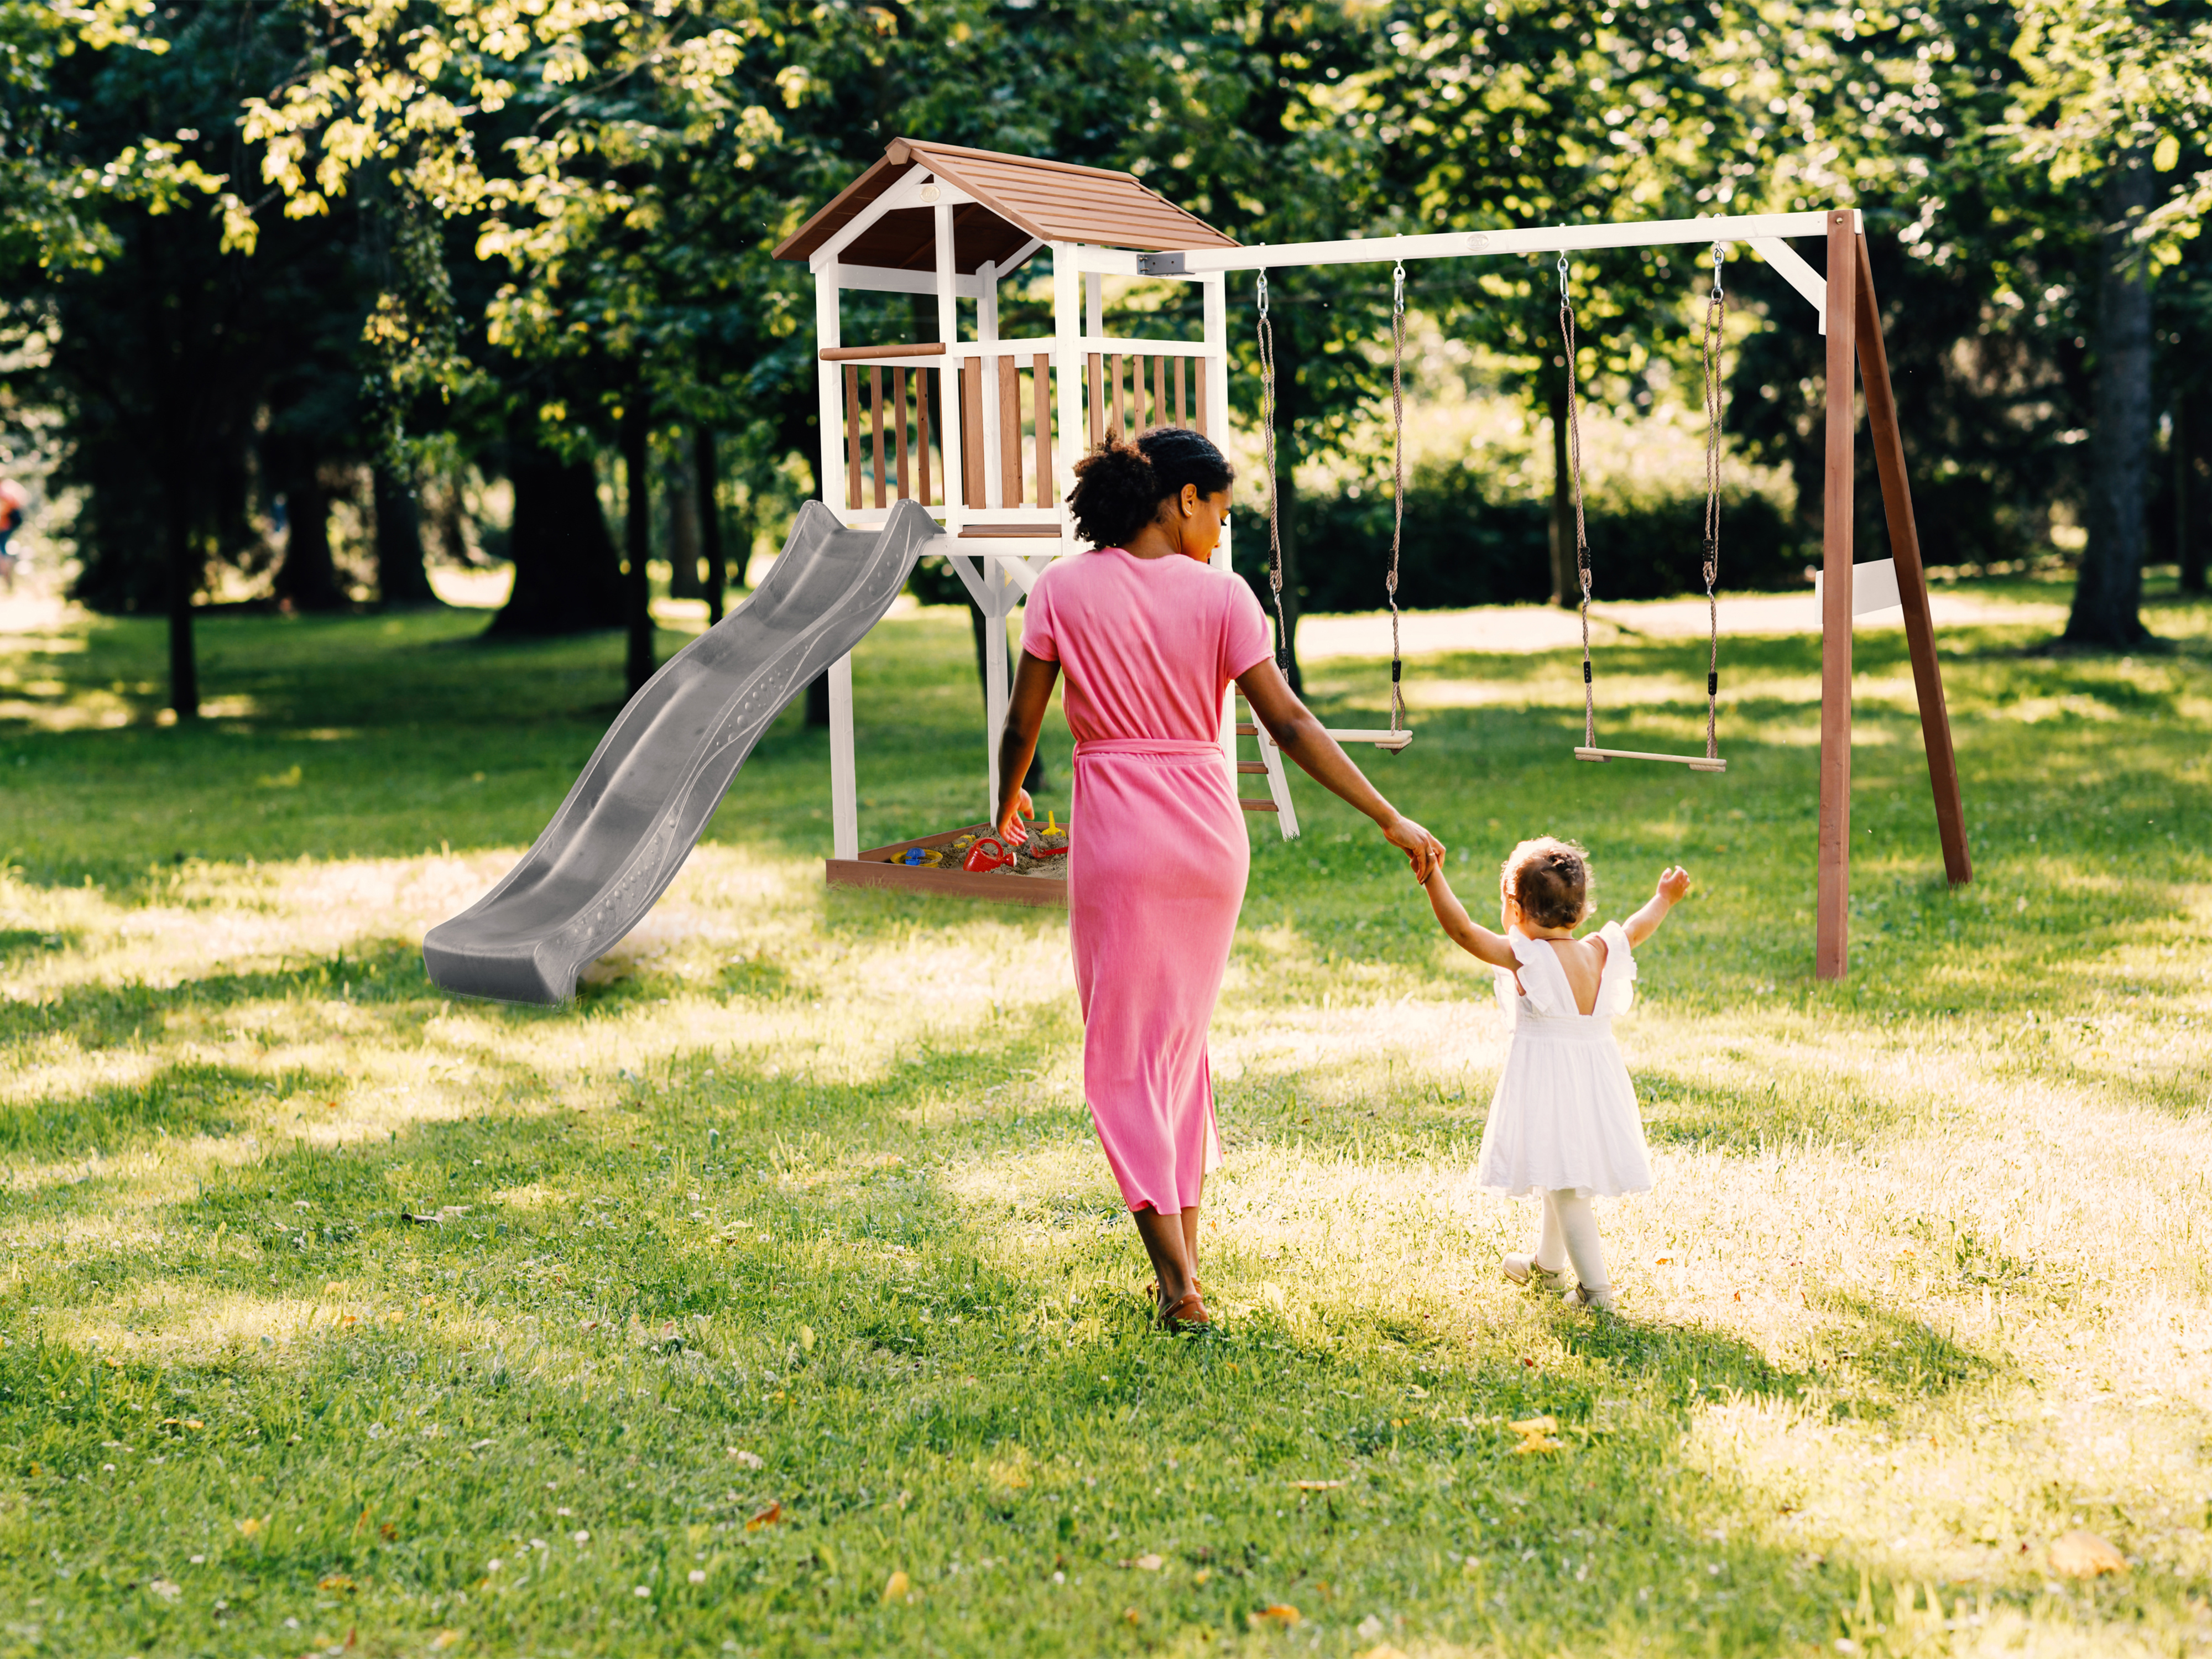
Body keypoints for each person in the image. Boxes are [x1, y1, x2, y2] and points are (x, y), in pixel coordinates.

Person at [993, 428, 1444, 1332]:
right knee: (1175, 1051)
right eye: (1221, 513)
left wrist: (1003, 809)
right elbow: (1290, 724)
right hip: (1208, 841)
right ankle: (1186, 1268)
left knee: (1124, 1058)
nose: (1221, 533)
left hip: (1120, 839)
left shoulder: (1061, 589)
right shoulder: (1225, 598)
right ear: (1182, 499)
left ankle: (1176, 1285)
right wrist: (1386, 814)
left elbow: (1022, 725)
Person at [1419, 837, 1691, 1312]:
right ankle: (1547, 1268)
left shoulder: (1527, 958)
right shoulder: (1599, 950)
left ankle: (1596, 1292)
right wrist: (1664, 898)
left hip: (1551, 1084)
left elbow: (1462, 931)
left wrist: (1431, 875)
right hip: (1594, 1082)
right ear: (1581, 911)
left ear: (1515, 909)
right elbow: (1636, 927)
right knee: (1556, 1170)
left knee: (1566, 1188)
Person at [0, 478, 27, 595]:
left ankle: (6, 574)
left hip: (8, 523)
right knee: (3, 549)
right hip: (11, 522)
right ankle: (7, 576)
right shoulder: (9, 485)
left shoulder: (4, 491)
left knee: (2, 550)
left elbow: (5, 508)